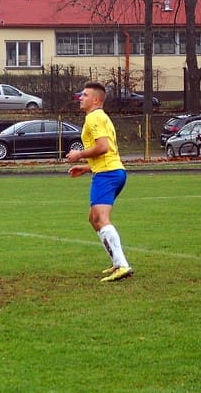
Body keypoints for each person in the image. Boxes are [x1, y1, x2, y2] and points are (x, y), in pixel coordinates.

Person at [66, 81, 133, 282]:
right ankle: (117, 262)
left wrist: (79, 155)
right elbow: (108, 151)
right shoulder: (100, 117)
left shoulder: (94, 118)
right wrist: (87, 167)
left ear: (95, 99)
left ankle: (122, 265)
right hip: (110, 171)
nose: (80, 98)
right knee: (94, 219)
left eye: (85, 95)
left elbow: (103, 147)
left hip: (108, 174)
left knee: (101, 219)